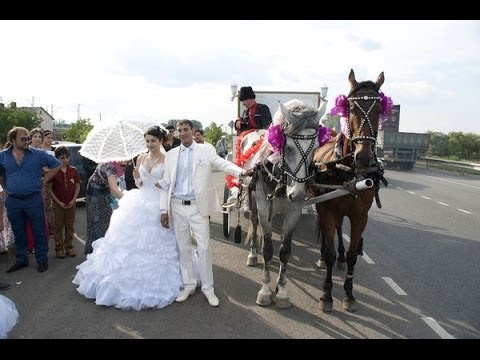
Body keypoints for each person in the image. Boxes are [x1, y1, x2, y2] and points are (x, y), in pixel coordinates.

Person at [73, 126, 186, 310]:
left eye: (153, 141)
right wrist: (138, 179)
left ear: (161, 141)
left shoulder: (167, 159)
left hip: (159, 203)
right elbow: (140, 183)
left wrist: (161, 184)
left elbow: (172, 183)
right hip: (140, 200)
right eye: (147, 141)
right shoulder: (140, 158)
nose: (150, 144)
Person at [160, 119, 253, 307]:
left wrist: (241, 173)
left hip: (197, 207)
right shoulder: (171, 155)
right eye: (180, 130)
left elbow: (221, 163)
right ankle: (188, 285)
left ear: (193, 131)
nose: (183, 133)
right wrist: (164, 209)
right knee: (183, 247)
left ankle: (208, 288)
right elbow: (166, 183)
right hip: (177, 206)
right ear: (177, 133)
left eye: (186, 129)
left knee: (203, 248)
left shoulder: (205, 151)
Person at [0, 127, 61, 273]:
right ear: (12, 140)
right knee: (18, 231)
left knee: (39, 230)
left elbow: (57, 164)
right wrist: (3, 189)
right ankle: (21, 260)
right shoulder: (2, 156)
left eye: (28, 138)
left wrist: (44, 180)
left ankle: (42, 260)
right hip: (13, 201)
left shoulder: (38, 154)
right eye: (23, 139)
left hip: (33, 199)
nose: (27, 141)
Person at [46, 146, 81, 258]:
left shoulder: (73, 170)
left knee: (69, 226)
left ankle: (69, 247)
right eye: (61, 158)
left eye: (66, 157)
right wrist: (57, 201)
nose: (64, 160)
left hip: (71, 203)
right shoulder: (53, 171)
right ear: (56, 158)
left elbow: (77, 185)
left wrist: (74, 199)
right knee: (58, 227)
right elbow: (49, 188)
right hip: (58, 204)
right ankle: (59, 248)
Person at [84, 160, 124, 255]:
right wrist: (129, 199)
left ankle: (94, 250)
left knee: (101, 222)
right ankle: (99, 252)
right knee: (100, 223)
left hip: (102, 194)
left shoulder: (112, 163)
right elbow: (114, 189)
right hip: (96, 197)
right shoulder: (110, 166)